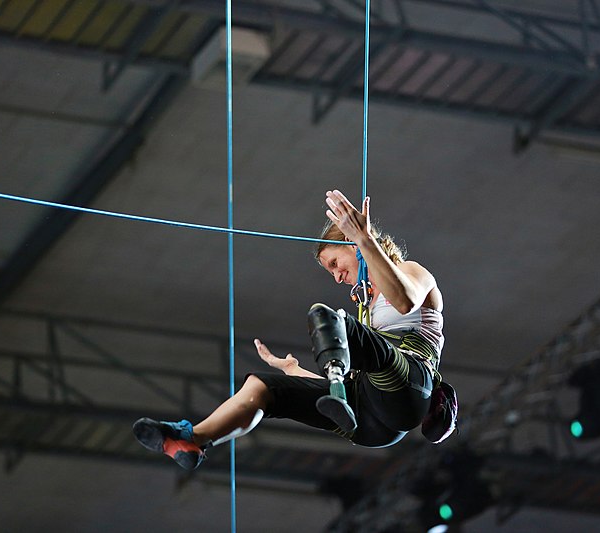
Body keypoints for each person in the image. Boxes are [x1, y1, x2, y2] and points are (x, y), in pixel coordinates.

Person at [133, 190, 445, 469]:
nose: (337, 277)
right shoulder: (366, 310)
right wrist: (294, 370)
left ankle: (337, 388)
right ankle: (193, 439)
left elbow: (405, 302)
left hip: (410, 387)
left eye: (335, 263)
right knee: (264, 388)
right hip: (372, 423)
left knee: (327, 317)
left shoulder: (410, 270)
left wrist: (365, 239)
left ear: (352, 244)